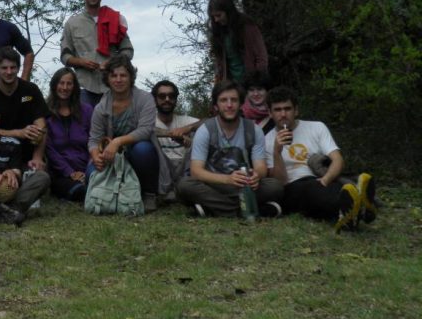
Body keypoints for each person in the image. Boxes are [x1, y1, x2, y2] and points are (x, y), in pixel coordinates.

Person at [264, 86, 377, 231]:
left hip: (319, 179)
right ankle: (360, 208)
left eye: (287, 109)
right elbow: (280, 182)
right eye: (277, 110)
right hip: (292, 187)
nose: (283, 114)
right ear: (270, 113)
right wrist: (277, 152)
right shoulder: (266, 140)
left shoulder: (316, 127)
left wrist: (325, 180)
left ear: (296, 110)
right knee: (313, 193)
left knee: (335, 190)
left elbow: (338, 160)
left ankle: (352, 211)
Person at [176, 81, 284, 218]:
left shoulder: (254, 130)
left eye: (234, 100)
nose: (229, 105)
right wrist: (227, 179)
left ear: (241, 104)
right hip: (214, 185)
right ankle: (247, 209)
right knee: (185, 185)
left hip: (244, 185)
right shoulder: (205, 130)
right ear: (216, 106)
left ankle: (214, 209)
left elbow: (261, 167)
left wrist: (256, 175)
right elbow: (196, 171)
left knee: (275, 186)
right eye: (223, 100)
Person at [86, 56, 160, 212]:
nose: (118, 80)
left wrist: (117, 141)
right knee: (90, 173)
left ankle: (149, 194)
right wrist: (95, 156)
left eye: (123, 75)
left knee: (144, 149)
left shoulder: (145, 98)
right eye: (114, 75)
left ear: (131, 77)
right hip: (111, 155)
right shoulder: (100, 107)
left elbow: (146, 130)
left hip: (136, 151)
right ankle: (114, 196)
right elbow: (94, 139)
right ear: (107, 78)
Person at [60, 0, 134, 107]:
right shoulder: (72, 23)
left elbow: (128, 51)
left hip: (113, 86)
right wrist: (81, 62)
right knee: (85, 119)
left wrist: (112, 63)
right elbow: (65, 56)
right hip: (84, 86)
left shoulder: (115, 19)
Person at [0, 47, 49, 170]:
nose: (9, 72)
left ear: (18, 68)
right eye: (4, 68)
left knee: (42, 177)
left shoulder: (31, 90)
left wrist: (37, 157)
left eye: (13, 67)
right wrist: (19, 133)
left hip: (27, 156)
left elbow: (42, 125)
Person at [44, 68, 92, 202]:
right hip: (60, 173)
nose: (65, 88)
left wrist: (88, 169)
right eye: (61, 83)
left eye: (69, 83)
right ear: (55, 85)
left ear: (74, 86)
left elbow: (94, 140)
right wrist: (70, 172)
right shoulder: (45, 113)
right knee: (80, 191)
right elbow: (49, 149)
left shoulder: (87, 110)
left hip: (88, 169)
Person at [152, 80, 201, 200]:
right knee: (146, 137)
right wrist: (173, 134)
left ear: (176, 99)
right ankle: (166, 189)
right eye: (162, 96)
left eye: (171, 96)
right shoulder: (150, 120)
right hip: (162, 167)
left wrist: (187, 129)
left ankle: (181, 188)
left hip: (184, 166)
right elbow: (142, 129)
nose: (167, 99)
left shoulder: (184, 120)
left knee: (201, 135)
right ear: (155, 99)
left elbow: (210, 122)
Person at [207, 0, 268, 86]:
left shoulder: (247, 26)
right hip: (231, 86)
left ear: (228, 11)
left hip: (250, 83)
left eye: (219, 15)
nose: (216, 20)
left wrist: (256, 82)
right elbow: (219, 63)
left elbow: (261, 56)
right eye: (213, 16)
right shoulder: (218, 33)